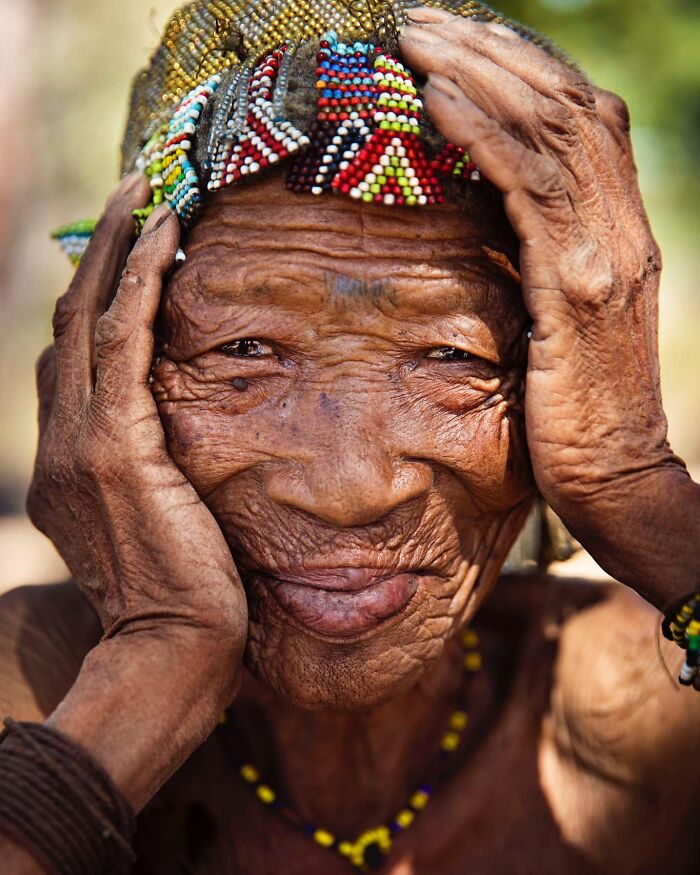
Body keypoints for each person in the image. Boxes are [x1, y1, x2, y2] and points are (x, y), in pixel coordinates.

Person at [1, 2, 699, 873]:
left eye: (453, 354)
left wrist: (638, 486)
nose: (349, 486)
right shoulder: (34, 685)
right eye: (245, 350)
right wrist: (155, 662)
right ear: (107, 371)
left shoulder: (644, 711)